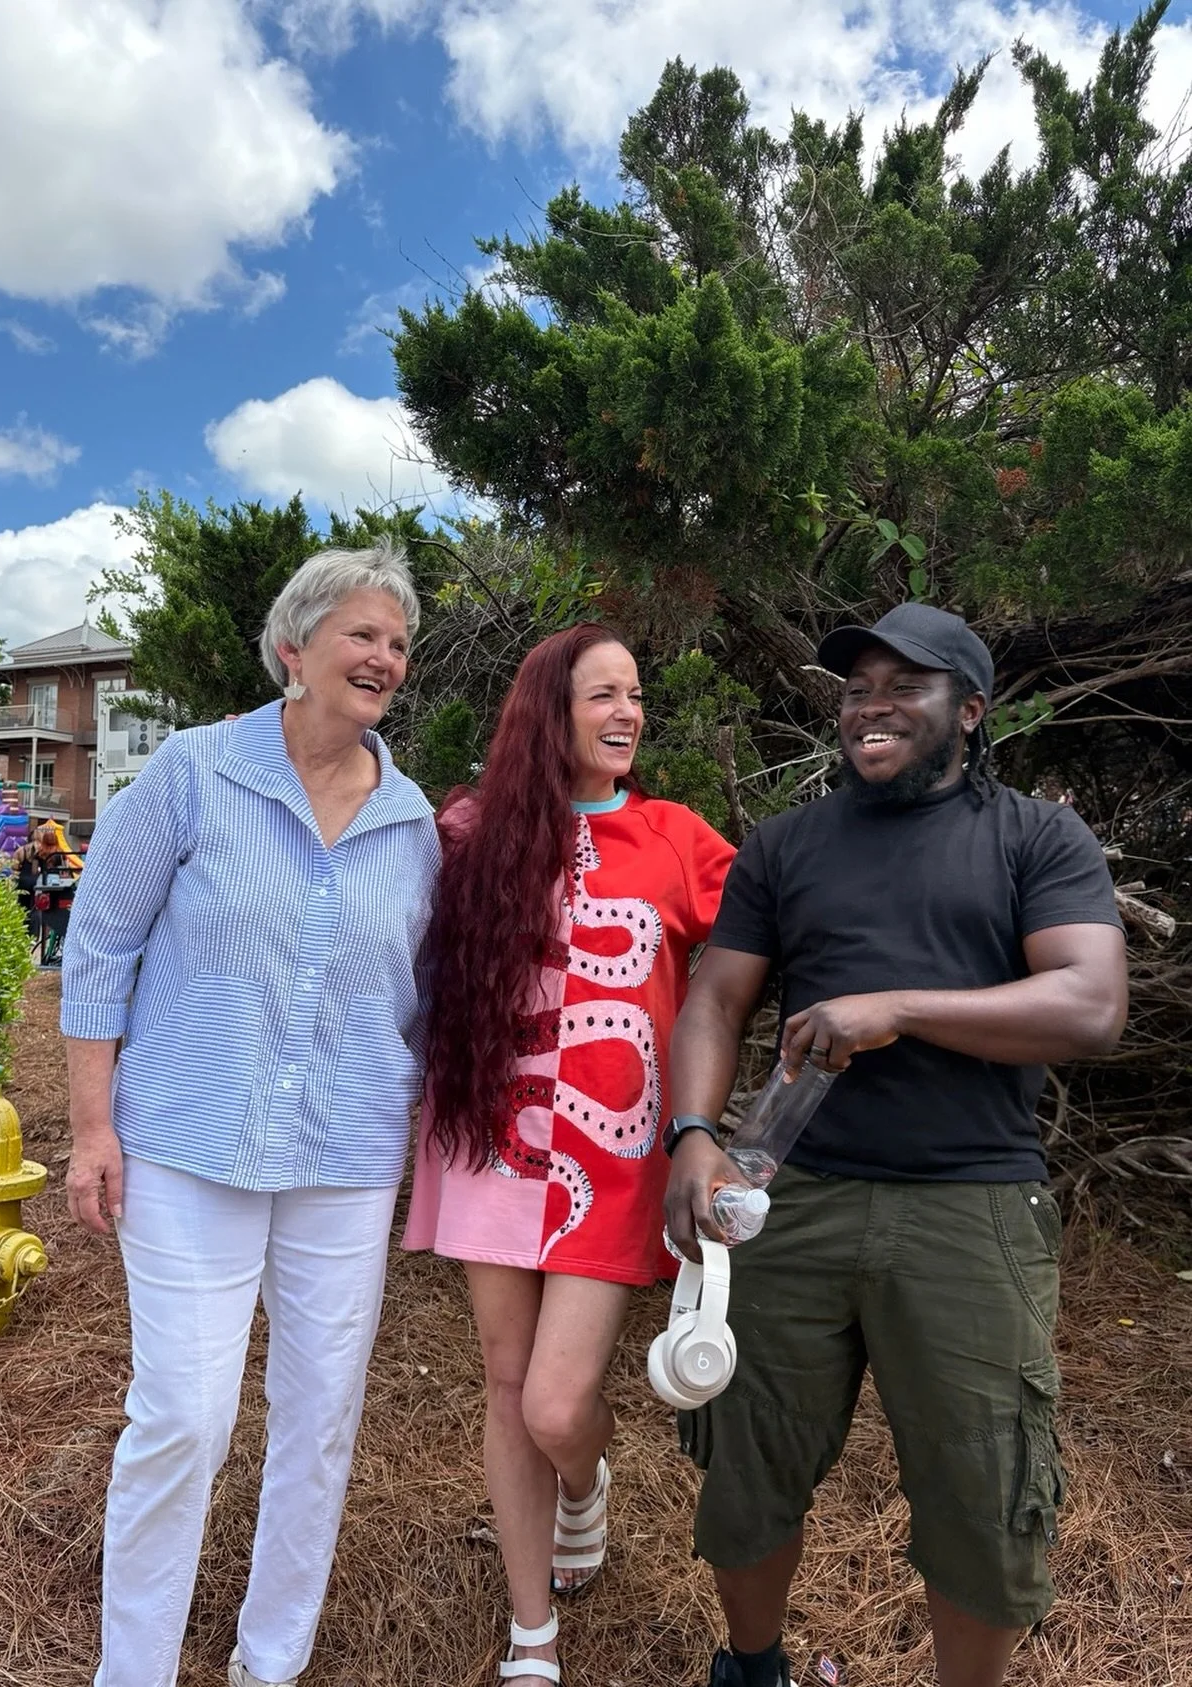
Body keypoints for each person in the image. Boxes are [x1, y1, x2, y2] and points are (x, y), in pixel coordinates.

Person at [663, 603, 1128, 1687]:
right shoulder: (787, 846)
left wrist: (902, 1008)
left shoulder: (1033, 836)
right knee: (747, 1459)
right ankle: (754, 1666)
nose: (870, 703)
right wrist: (693, 1136)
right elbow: (714, 1001)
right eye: (855, 686)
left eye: (902, 684)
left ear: (968, 710)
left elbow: (1089, 1003)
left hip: (972, 1209)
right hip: (796, 1197)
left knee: (984, 1488)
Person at [60, 537, 440, 1687]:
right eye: (362, 634)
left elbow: (417, 999)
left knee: (319, 1424)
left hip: (347, 1154)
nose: (384, 657)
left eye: (399, 642)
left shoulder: (414, 820)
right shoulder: (189, 772)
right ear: (295, 647)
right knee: (183, 1415)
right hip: (186, 1142)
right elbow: (100, 946)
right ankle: (134, 1672)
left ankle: (268, 1663)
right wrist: (90, 1127)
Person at [403, 624, 735, 1687]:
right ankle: (531, 1631)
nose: (628, 713)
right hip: (490, 1144)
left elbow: (765, 946)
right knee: (507, 1387)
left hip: (614, 1159)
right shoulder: (468, 828)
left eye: (635, 694)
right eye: (603, 695)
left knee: (555, 1404)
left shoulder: (678, 836)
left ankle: (581, 1484)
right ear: (551, 711)